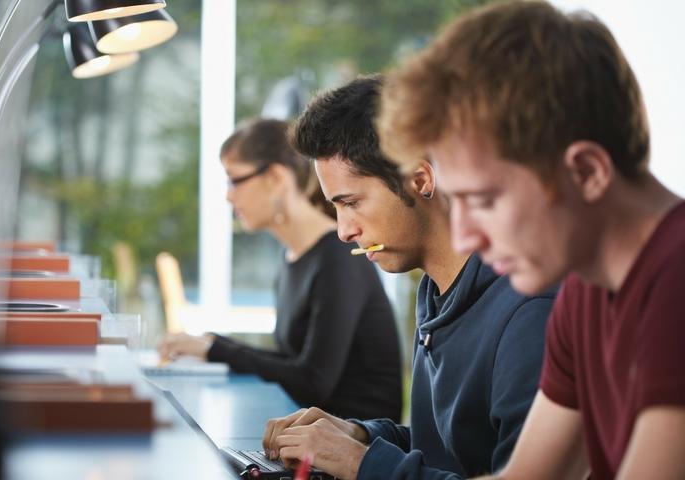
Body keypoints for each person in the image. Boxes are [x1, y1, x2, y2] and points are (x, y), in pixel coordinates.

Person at [378, 2, 685, 479]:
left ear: (585, 172)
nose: (464, 235)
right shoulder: (585, 291)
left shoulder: (675, 283)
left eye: (482, 199)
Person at [262, 76, 555, 480]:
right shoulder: (437, 290)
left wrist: (359, 463)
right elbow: (450, 449)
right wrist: (358, 434)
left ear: (420, 180)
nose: (344, 230)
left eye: (351, 203)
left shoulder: (530, 311)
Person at [158, 118, 402, 422]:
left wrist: (215, 349)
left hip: (353, 449)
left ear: (275, 177)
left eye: (234, 180)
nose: (228, 195)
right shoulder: (293, 256)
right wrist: (212, 342)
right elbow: (292, 362)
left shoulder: (339, 257)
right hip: (310, 431)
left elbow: (313, 382)